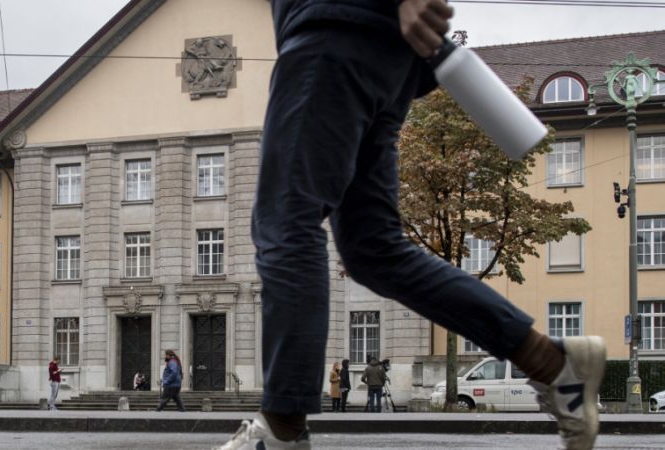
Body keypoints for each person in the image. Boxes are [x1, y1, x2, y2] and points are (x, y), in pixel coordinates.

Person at [216, 1, 606, 449]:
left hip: (333, 31)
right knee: (373, 250)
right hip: (384, 54)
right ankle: (552, 364)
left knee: (286, 221)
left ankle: (280, 432)